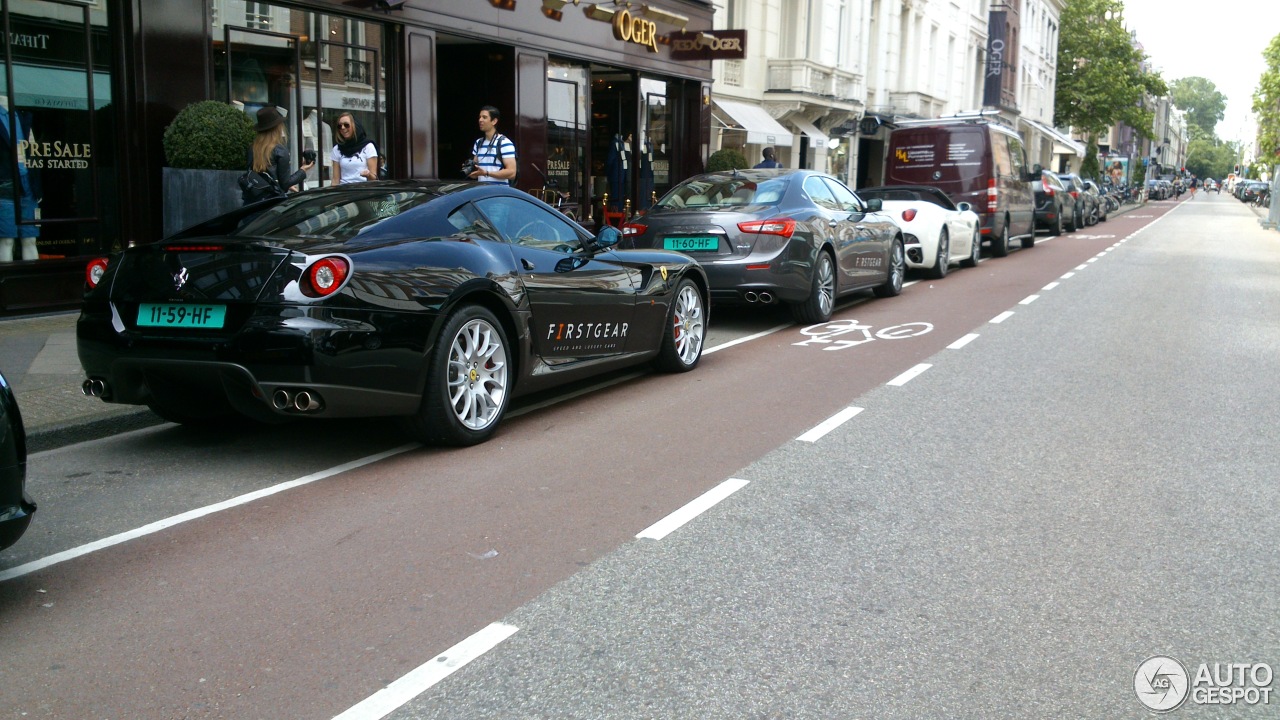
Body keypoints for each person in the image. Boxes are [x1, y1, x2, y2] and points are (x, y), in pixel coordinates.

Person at [243, 106, 313, 206]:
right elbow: (285, 184)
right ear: (277, 127)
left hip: (251, 202)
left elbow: (258, 177)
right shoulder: (279, 150)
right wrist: (303, 170)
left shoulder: (252, 148)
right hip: (270, 204)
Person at [0, 95, 40, 263]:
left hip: (28, 184)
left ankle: (33, 285)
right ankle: (7, 285)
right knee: (6, 240)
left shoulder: (23, 117)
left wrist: (37, 186)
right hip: (4, 184)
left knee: (30, 239)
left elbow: (35, 154)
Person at [468, 105, 516, 184]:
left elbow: (512, 173)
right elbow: (477, 172)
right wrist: (471, 171)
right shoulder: (478, 143)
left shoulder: (504, 143)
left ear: (494, 121)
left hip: (498, 194)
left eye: (484, 117)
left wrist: (487, 173)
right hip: (483, 192)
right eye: (479, 117)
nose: (480, 120)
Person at [329, 111, 378, 185]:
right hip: (344, 191)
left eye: (346, 125)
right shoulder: (337, 149)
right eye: (340, 126)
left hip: (363, 190)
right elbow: (335, 179)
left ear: (354, 125)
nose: (343, 128)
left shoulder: (368, 147)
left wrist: (368, 174)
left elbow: (374, 178)